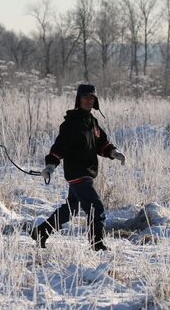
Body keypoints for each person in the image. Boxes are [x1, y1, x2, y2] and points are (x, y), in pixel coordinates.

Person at [30, 84, 125, 251]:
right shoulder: (71, 123)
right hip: (77, 173)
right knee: (96, 207)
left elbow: (101, 143)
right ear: (78, 99)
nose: (89, 100)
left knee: (71, 208)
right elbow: (60, 147)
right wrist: (50, 165)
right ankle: (97, 244)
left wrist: (113, 152)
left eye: (92, 98)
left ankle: (41, 232)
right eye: (85, 97)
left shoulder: (92, 121)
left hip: (87, 172)